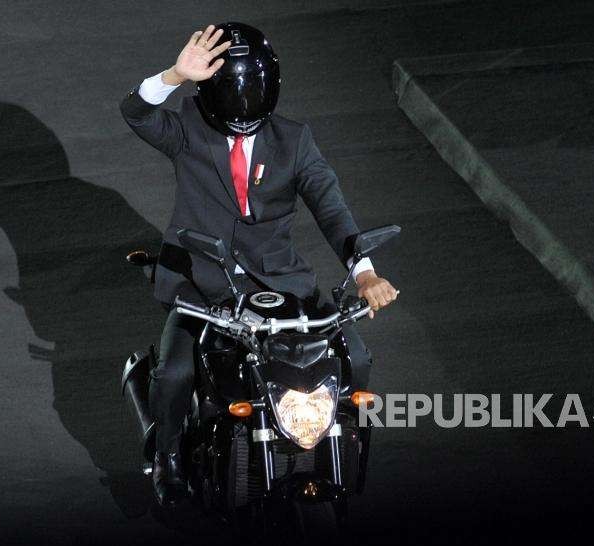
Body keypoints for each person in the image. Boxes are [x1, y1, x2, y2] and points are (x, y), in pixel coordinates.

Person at [119, 22, 398, 506]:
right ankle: (166, 459)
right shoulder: (188, 129)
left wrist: (366, 272)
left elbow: (331, 208)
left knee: (359, 357)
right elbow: (137, 113)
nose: (242, 110)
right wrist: (174, 75)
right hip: (202, 283)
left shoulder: (294, 141)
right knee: (175, 374)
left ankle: (345, 440)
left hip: (280, 282)